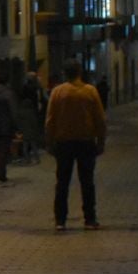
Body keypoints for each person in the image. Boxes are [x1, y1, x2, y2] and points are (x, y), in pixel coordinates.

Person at [45, 64, 106, 230]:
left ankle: (60, 220)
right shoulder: (90, 91)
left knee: (62, 182)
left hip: (64, 143)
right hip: (86, 142)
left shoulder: (58, 92)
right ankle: (90, 219)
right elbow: (100, 119)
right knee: (87, 182)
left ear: (65, 73)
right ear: (79, 73)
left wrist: (49, 142)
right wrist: (101, 141)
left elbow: (50, 119)